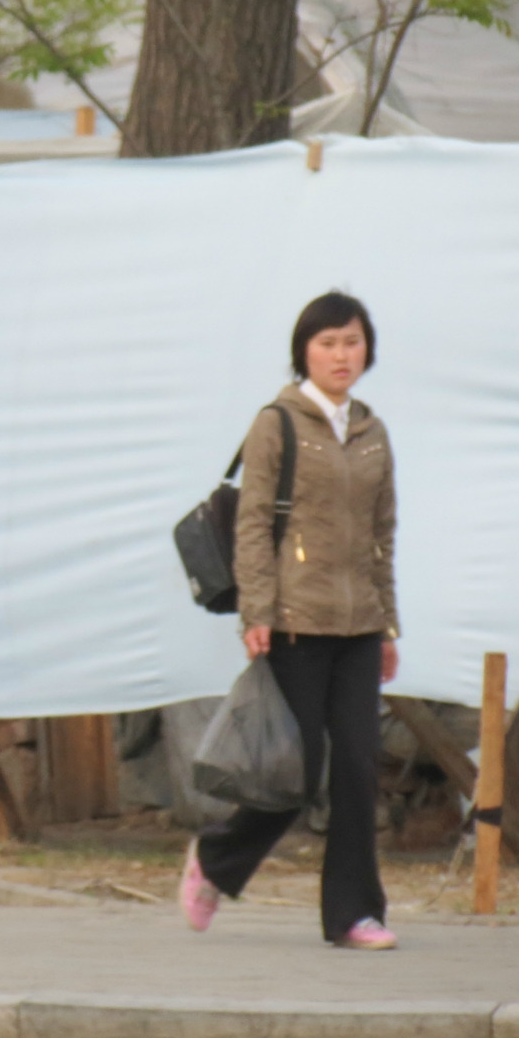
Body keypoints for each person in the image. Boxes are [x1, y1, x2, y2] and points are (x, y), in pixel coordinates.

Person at [180, 290, 400, 951]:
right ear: (306, 349)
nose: (341, 354)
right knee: (296, 773)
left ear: (368, 351)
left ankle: (355, 916)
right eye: (328, 342)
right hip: (295, 625)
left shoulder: (371, 430)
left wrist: (389, 624)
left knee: (359, 771)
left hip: (359, 626)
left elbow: (381, 533)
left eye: (353, 342)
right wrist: (257, 612)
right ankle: (215, 863)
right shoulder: (276, 422)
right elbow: (252, 525)